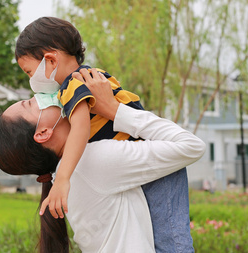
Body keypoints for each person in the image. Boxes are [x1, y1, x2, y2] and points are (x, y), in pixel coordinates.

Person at [15, 16, 194, 252]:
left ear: (50, 59)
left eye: (29, 72)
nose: (32, 82)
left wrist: (64, 178)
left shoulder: (72, 86)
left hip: (150, 159)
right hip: (146, 150)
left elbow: (80, 127)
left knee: (171, 239)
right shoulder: (89, 75)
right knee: (168, 234)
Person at [0, 68, 206, 253]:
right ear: (43, 133)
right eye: (30, 103)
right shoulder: (91, 162)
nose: (40, 96)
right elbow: (191, 146)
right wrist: (113, 108)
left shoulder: (67, 175)